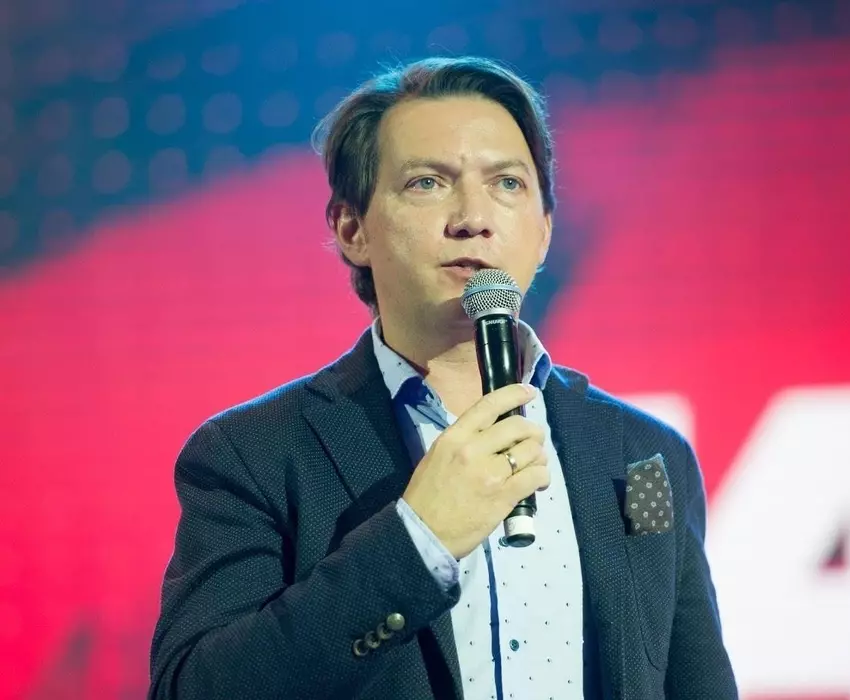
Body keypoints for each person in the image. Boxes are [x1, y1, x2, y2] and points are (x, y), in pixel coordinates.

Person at [148, 56, 737, 700]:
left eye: (507, 183)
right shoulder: (252, 454)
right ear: (352, 229)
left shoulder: (645, 453)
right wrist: (416, 541)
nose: (473, 217)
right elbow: (193, 689)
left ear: (544, 231)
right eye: (427, 183)